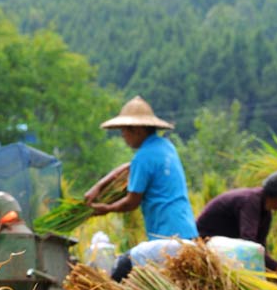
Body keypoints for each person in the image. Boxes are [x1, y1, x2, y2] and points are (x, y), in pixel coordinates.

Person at [84, 96, 197, 280]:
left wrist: (105, 209)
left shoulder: (143, 157)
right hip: (188, 234)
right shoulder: (165, 147)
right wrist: (99, 186)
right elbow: (130, 166)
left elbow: (131, 202)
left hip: (167, 237)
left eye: (123, 131)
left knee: (121, 272)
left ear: (136, 130)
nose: (122, 135)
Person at [195, 172, 277, 281]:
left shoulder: (266, 212)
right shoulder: (250, 201)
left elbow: (260, 247)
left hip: (224, 247)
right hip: (205, 243)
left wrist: (274, 272)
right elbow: (250, 245)